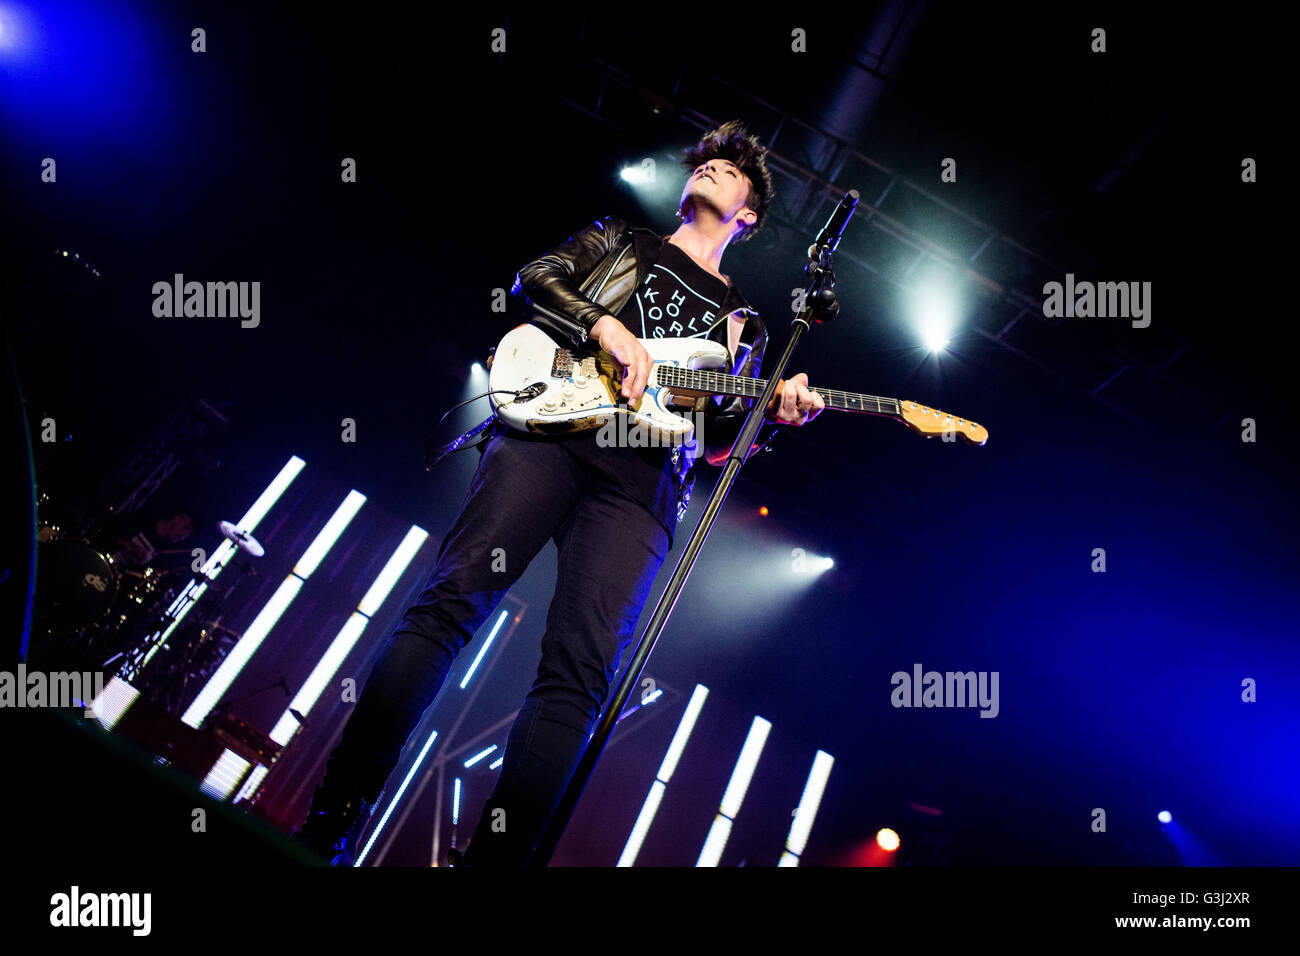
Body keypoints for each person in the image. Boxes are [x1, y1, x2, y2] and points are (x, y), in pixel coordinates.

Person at [294, 121, 826, 867]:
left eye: (729, 168)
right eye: (703, 159)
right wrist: (603, 323)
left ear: (749, 216)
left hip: (641, 483)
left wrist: (774, 416)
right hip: (552, 430)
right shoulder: (620, 239)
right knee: (451, 601)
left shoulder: (746, 326)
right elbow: (534, 276)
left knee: (578, 673)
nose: (709, 167)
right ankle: (335, 816)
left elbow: (714, 444)